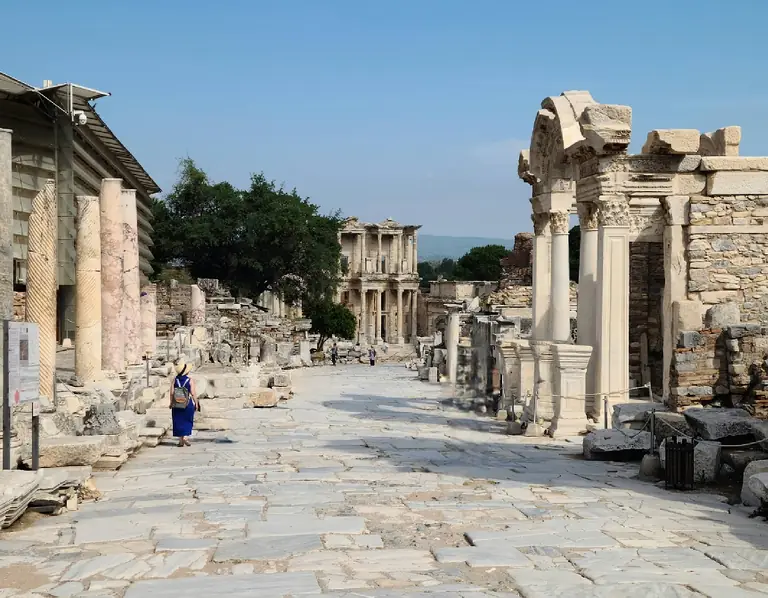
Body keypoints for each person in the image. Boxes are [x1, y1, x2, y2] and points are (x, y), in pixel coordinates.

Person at [170, 360, 198, 447]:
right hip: (187, 403)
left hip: (177, 402)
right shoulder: (190, 380)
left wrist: (171, 403)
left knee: (178, 420)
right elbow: (193, 393)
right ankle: (185, 436)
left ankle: (180, 441)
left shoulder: (174, 380)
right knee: (187, 419)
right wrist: (196, 403)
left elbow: (171, 392)